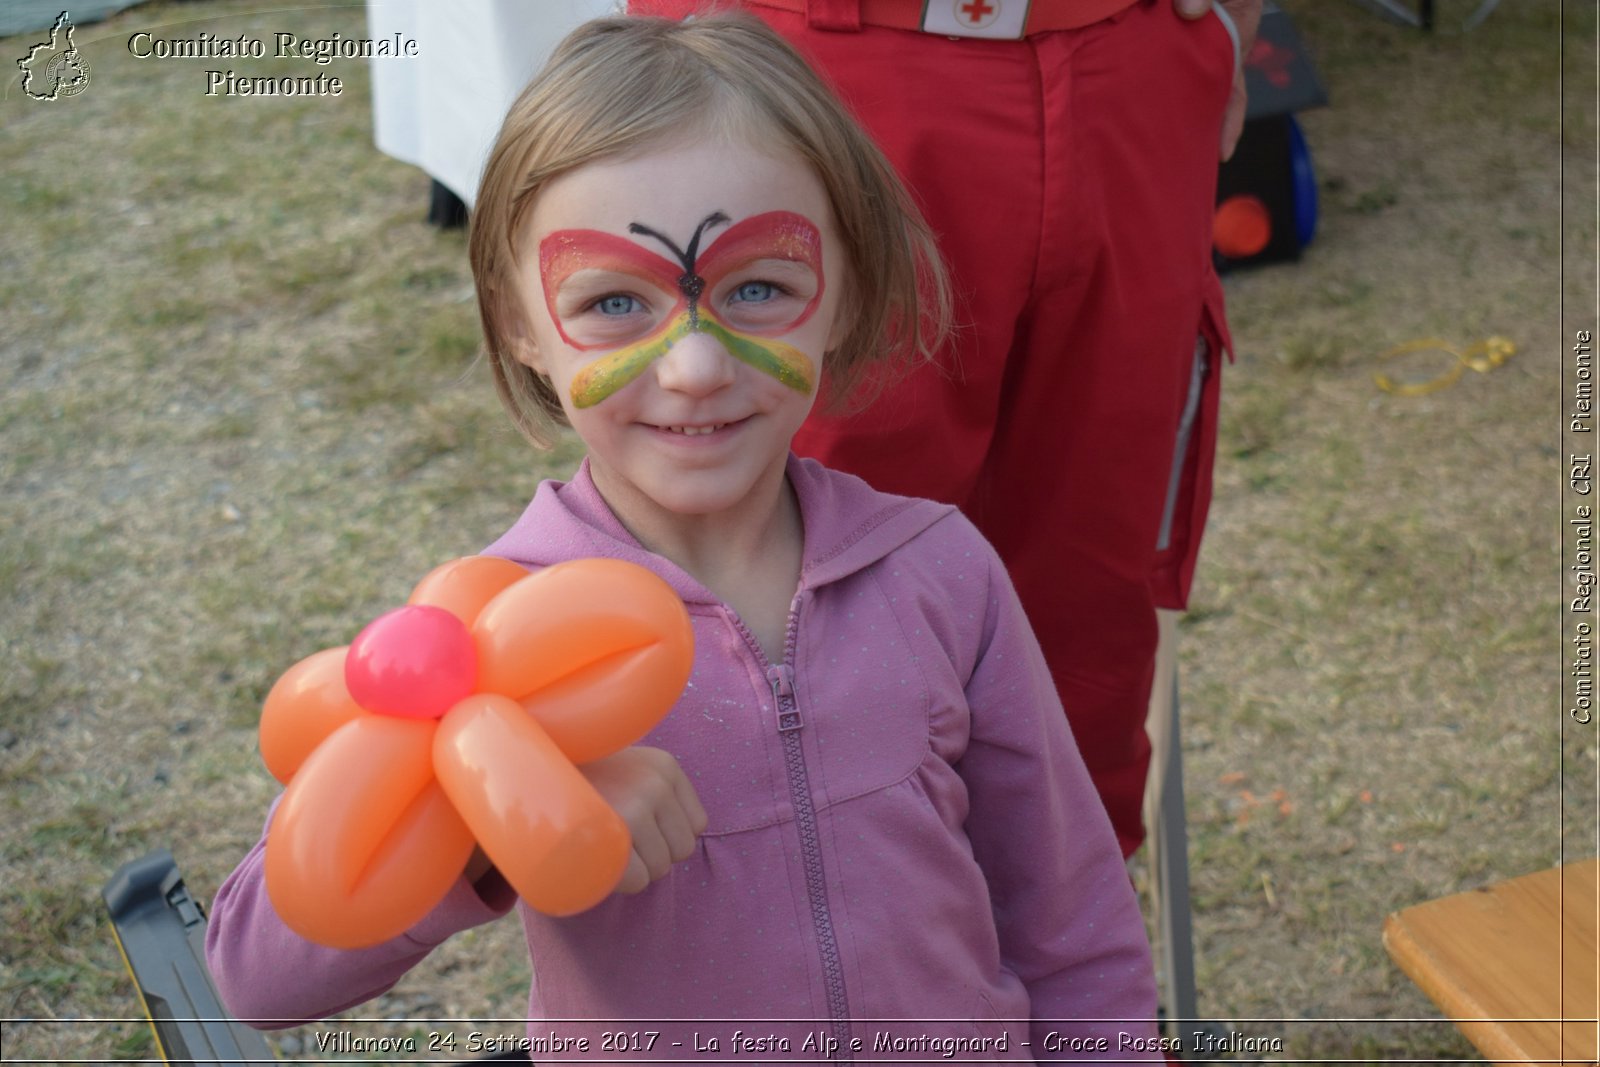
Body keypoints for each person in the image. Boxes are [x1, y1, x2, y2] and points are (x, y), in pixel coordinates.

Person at [205, 12, 1161, 1056]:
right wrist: (493, 814)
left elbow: (1073, 928)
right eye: (613, 301)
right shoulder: (491, 641)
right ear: (517, 318)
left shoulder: (940, 571)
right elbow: (254, 973)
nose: (696, 368)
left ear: (840, 287)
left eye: (759, 287)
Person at [629, 0, 1261, 860]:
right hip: (819, 62)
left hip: (1128, 58)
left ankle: (1068, 961)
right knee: (802, 609)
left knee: (1090, 603)